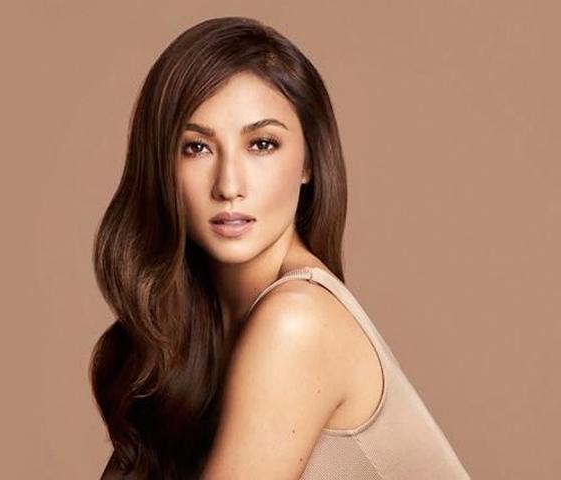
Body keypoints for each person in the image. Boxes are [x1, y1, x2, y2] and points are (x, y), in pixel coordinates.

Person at [91, 16, 471, 479]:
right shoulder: (196, 335)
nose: (229, 185)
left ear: (309, 162)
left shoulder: (296, 323)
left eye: (262, 144)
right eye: (196, 148)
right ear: (160, 166)